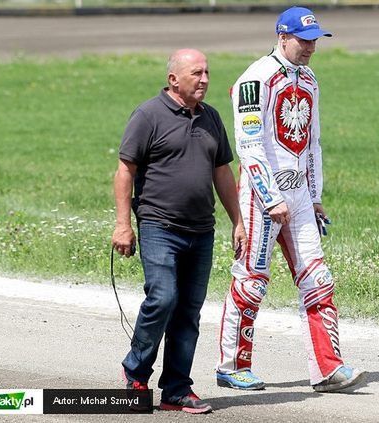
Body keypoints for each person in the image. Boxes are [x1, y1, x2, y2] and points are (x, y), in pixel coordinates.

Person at [216, 7, 366, 393]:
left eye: (315, 40)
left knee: (318, 279)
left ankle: (328, 369)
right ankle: (232, 365)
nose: (311, 47)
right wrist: (269, 198)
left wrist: (314, 197)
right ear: (282, 37)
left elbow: (311, 143)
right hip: (262, 197)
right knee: (252, 281)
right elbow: (249, 147)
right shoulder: (255, 79)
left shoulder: (311, 79)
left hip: (299, 196)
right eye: (304, 40)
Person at [112, 48, 246, 414]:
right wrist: (123, 224)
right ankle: (136, 372)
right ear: (174, 79)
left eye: (207, 73)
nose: (204, 79)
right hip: (158, 224)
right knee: (163, 298)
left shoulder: (211, 118)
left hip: (201, 230)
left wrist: (237, 220)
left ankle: (175, 388)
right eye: (196, 73)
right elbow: (125, 170)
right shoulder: (148, 115)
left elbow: (222, 172)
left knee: (189, 311)